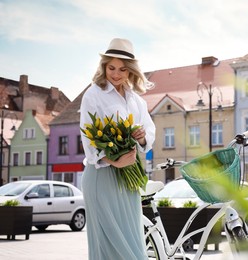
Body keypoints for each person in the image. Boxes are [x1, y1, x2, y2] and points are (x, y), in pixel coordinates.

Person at [80, 38, 155, 260]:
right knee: (108, 245)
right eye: (111, 67)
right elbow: (87, 136)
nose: (116, 74)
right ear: (104, 66)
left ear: (131, 71)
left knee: (132, 241)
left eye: (123, 69)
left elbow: (149, 133)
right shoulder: (93, 94)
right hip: (101, 177)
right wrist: (114, 160)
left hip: (129, 180)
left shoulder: (137, 101)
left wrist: (141, 138)